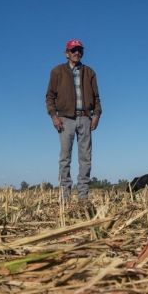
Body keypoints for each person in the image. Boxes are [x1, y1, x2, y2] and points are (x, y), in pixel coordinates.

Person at [45, 39, 102, 201]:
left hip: (85, 118)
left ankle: (83, 197)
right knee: (65, 158)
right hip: (65, 119)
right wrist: (54, 116)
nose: (77, 53)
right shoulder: (57, 71)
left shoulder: (89, 72)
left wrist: (96, 115)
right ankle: (65, 197)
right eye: (73, 50)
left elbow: (97, 98)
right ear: (67, 53)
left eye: (79, 50)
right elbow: (50, 96)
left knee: (86, 158)